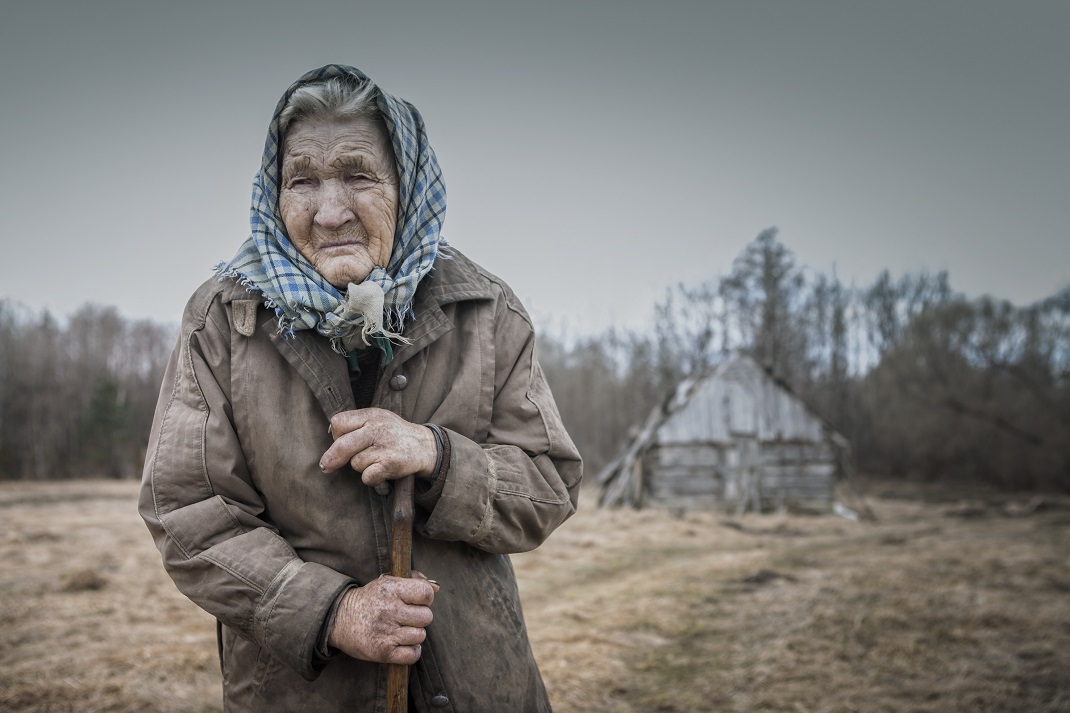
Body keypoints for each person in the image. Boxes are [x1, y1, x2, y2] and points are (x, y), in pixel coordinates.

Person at [139, 64, 582, 712]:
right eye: (303, 180)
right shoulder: (224, 321)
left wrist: (439, 456)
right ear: (273, 191)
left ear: (405, 184)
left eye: (357, 175)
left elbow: (548, 484)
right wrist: (334, 611)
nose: (330, 210)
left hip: (481, 685)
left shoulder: (484, 311)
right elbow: (186, 514)